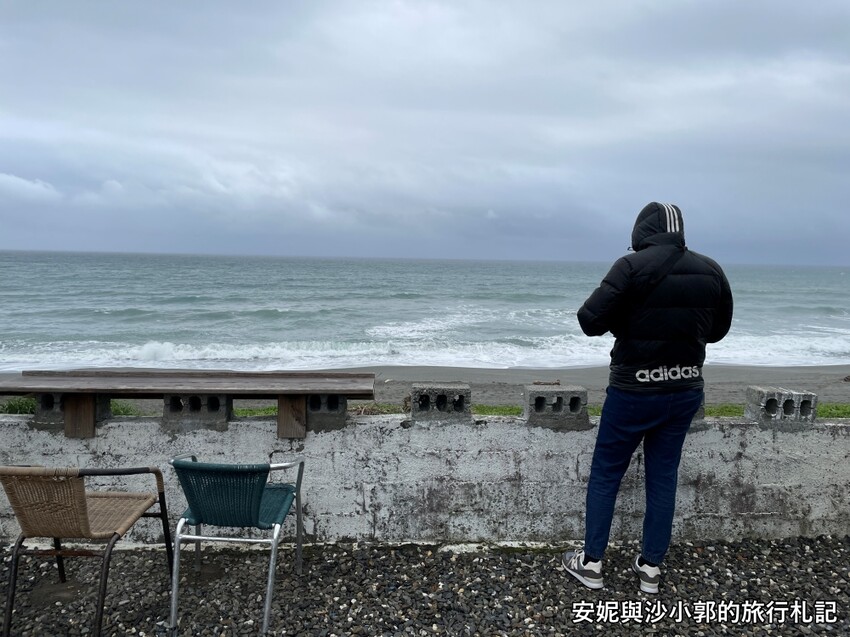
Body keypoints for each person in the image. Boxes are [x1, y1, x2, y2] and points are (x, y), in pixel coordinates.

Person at [562, 201, 733, 594]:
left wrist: (629, 320)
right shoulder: (711, 270)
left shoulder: (630, 267)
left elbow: (589, 321)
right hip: (685, 388)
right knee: (663, 477)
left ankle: (591, 563)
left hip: (633, 390)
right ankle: (651, 569)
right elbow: (718, 329)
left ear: (640, 232)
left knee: (607, 473)